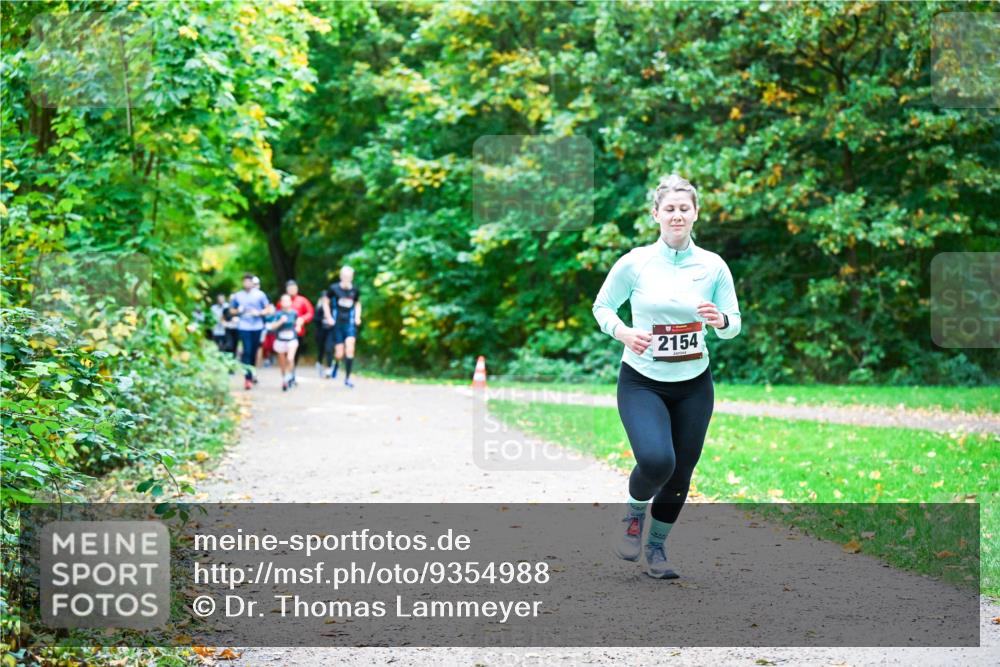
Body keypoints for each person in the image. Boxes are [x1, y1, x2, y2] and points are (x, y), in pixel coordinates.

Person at [592, 174, 742, 579]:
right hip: (642, 380)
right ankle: (633, 515)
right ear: (656, 214)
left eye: (685, 208)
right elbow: (602, 307)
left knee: (681, 474)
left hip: (694, 383)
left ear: (695, 214)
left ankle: (656, 550)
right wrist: (622, 331)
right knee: (657, 460)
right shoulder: (635, 262)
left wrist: (721, 319)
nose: (677, 215)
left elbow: (734, 324)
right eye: (670, 209)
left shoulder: (713, 266)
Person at [231, 273, 270, 390]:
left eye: (249, 281)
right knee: (246, 351)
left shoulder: (260, 295)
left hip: (257, 326)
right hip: (244, 327)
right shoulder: (238, 296)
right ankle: (247, 378)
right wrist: (238, 310)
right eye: (245, 281)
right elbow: (231, 310)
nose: (247, 283)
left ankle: (252, 372)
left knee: (253, 352)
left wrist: (259, 313)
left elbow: (268, 308)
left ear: (253, 283)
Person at [328, 265, 361, 388]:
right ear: (341, 277)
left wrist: (357, 317)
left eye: (349, 277)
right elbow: (325, 302)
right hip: (337, 324)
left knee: (350, 348)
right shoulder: (334, 288)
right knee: (339, 353)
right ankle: (336, 363)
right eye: (345, 276)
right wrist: (329, 317)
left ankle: (347, 378)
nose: (347, 279)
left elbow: (357, 304)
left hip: (350, 323)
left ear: (352, 277)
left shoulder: (355, 290)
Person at [268, 293, 304, 391]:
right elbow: (271, 326)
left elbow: (299, 321)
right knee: (282, 363)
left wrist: (298, 326)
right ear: (281, 302)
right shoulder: (278, 314)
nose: (285, 303)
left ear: (290, 302)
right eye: (283, 300)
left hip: (292, 339)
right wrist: (280, 321)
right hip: (280, 340)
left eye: (287, 300)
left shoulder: (294, 313)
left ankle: (290, 375)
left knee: (290, 358)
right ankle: (285, 378)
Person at [283, 280, 314, 386]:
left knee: (294, 355)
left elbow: (310, 313)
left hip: (298, 333)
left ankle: (292, 373)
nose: (292, 290)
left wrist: (302, 319)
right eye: (290, 288)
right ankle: (287, 375)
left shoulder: (302, 301)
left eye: (293, 288)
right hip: (284, 333)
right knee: (286, 354)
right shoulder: (283, 301)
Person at [315, 289, 336, 378]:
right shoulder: (319, 308)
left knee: (329, 349)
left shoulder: (333, 308)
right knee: (321, 349)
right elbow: (315, 319)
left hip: (330, 332)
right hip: (321, 331)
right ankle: (319, 364)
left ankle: (329, 368)